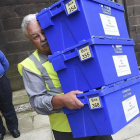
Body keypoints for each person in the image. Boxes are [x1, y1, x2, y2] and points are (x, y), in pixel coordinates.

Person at [18, 14, 113, 140]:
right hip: (67, 131)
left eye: (44, 32)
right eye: (36, 36)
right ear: (30, 40)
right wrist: (62, 100)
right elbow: (37, 102)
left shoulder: (74, 48)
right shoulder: (29, 65)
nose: (43, 38)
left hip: (96, 116)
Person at [0, 51, 20, 140]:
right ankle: (0, 131)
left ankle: (13, 128)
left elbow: (5, 63)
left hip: (1, 81)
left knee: (7, 106)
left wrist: (2, 75)